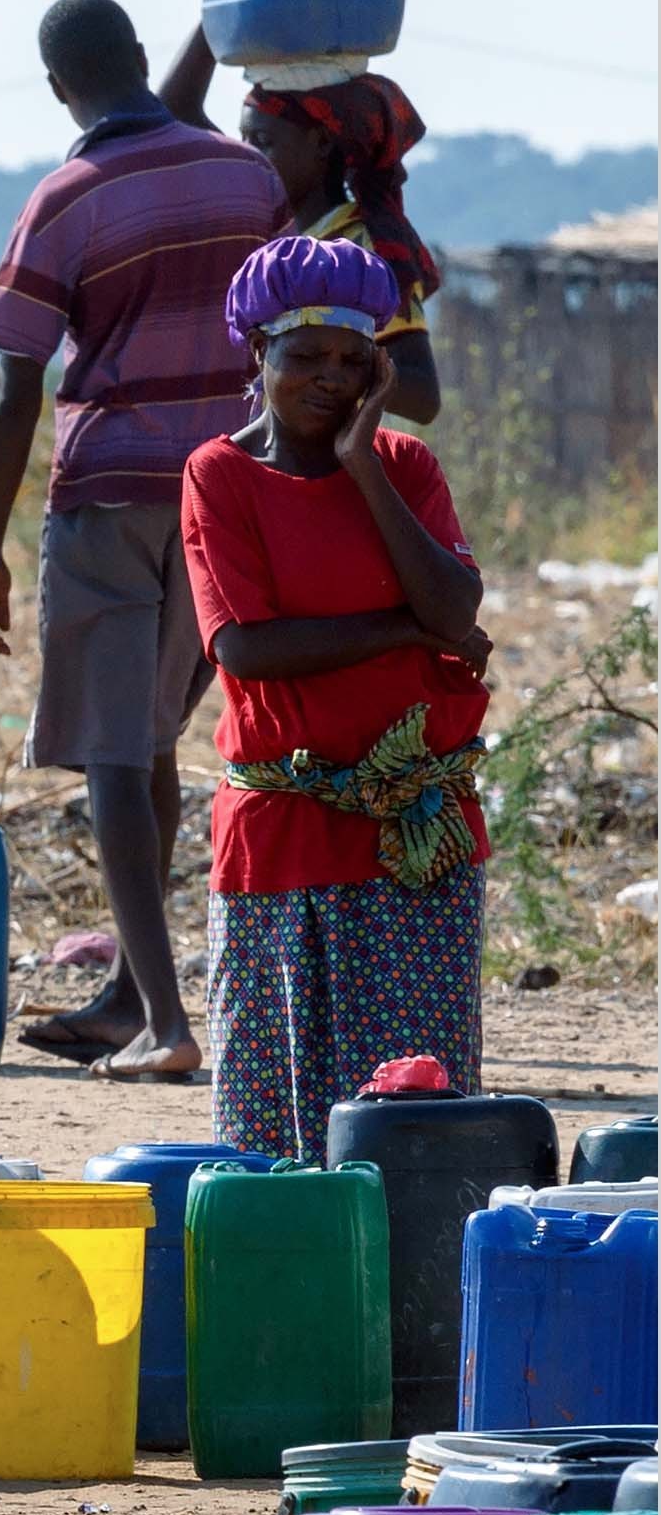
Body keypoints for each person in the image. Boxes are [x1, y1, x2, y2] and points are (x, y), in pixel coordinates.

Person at [0, 0, 291, 1083]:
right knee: (147, 737)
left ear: (59, 87)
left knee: (112, 751)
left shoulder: (65, 200)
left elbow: (18, 381)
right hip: (223, 487)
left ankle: (165, 1020)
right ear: (141, 57)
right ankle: (127, 999)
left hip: (108, 491)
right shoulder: (246, 177)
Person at [177, 237, 495, 1163]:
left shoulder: (402, 467)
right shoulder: (217, 475)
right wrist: (403, 631)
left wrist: (363, 465)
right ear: (256, 355)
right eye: (304, 356)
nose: (328, 378)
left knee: (418, 1110)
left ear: (378, 371)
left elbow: (455, 607)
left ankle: (413, 1300)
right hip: (284, 829)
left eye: (352, 361)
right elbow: (246, 648)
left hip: (414, 834)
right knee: (273, 1122)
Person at [162, 27, 445, 423]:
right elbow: (172, 113)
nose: (249, 155)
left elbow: (421, 394)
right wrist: (216, 19)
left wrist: (310, 367)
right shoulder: (278, 235)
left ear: (321, 144)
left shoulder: (362, 248)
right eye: (244, 140)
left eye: (262, 140)